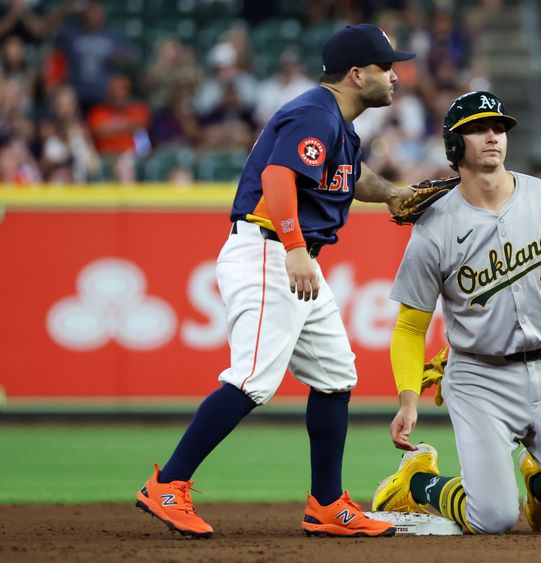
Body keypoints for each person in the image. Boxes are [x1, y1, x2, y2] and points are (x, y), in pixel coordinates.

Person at [135, 23, 416, 539]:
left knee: (335, 374)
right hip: (270, 251)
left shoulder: (338, 123)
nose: (395, 75)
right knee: (253, 379)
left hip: (291, 254)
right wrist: (292, 248)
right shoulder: (314, 112)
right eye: (386, 66)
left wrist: (395, 194)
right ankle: (168, 484)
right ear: (357, 74)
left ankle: (326, 504)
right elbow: (278, 177)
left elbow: (352, 179)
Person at [372, 91, 541, 534]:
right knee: (494, 518)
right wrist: (408, 398)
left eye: (499, 128)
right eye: (479, 129)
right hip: (479, 380)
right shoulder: (434, 227)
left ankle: (539, 477)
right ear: (453, 145)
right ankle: (417, 482)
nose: (492, 137)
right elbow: (410, 325)